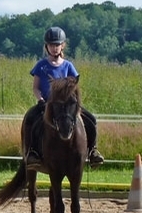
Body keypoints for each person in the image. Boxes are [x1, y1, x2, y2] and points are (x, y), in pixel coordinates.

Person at [24, 26, 104, 169]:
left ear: (63, 45)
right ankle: (32, 152)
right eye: (51, 45)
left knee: (91, 119)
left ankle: (93, 151)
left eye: (57, 45)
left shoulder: (68, 66)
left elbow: (75, 87)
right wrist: (40, 100)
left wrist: (74, 103)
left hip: (66, 105)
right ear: (46, 47)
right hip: (48, 104)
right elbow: (35, 87)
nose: (54, 48)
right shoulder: (41, 66)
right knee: (31, 119)